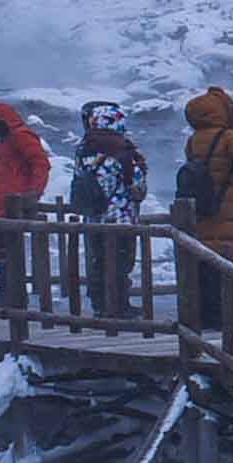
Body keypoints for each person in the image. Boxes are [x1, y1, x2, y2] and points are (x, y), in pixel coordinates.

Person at [171, 86, 233, 326]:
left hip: (205, 203)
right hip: (230, 202)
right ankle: (232, 311)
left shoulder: (194, 139)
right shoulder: (227, 136)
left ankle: (212, 311)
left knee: (209, 259)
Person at [67, 104, 147, 316]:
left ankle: (100, 305)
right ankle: (119, 305)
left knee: (98, 261)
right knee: (120, 263)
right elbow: (137, 188)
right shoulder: (124, 151)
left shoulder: (83, 148)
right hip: (120, 218)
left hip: (94, 216)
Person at [0, 100, 53, 313]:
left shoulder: (20, 137)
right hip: (2, 204)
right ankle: (10, 292)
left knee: (4, 250)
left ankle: (11, 294)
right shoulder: (5, 140)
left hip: (11, 205)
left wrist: (32, 193)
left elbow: (40, 163)